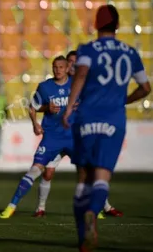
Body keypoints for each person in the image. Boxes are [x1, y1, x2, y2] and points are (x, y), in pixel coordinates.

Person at [62, 4, 151, 251]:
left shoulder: (88, 49)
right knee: (102, 177)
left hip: (87, 116)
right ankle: (93, 211)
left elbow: (80, 76)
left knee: (83, 178)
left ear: (96, 25)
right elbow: (146, 88)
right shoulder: (129, 52)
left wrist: (69, 108)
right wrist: (124, 99)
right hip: (114, 119)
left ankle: (83, 237)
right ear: (118, 25)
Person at [29, 50, 123, 219]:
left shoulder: (81, 83)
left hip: (77, 135)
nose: (72, 65)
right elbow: (37, 105)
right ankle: (40, 208)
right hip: (56, 136)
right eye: (70, 62)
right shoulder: (56, 85)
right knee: (48, 173)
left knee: (90, 170)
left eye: (73, 63)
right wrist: (45, 111)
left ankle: (104, 206)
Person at [0, 55, 74, 219]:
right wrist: (36, 123)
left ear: (67, 68)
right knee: (36, 171)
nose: (58, 70)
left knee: (89, 170)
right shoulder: (45, 87)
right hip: (52, 136)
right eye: (55, 67)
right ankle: (12, 206)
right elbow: (33, 107)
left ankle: (99, 209)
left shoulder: (76, 85)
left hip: (73, 136)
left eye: (61, 67)